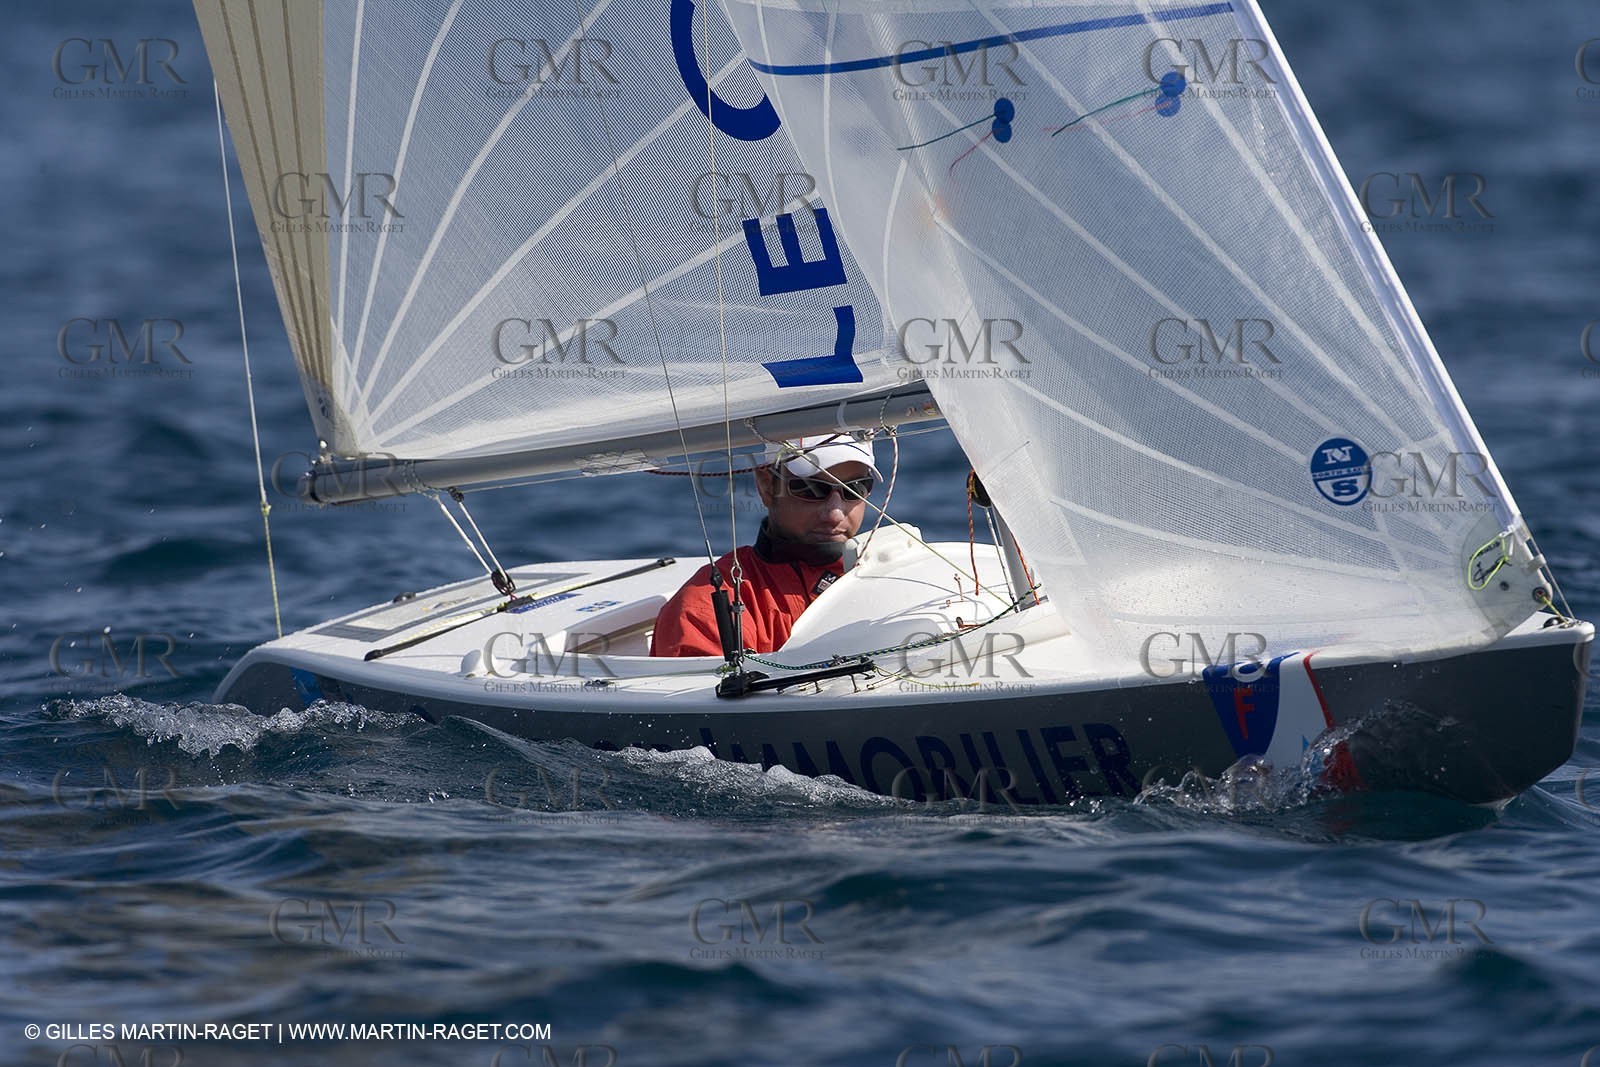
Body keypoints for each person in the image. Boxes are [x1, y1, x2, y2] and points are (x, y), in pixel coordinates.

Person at [650, 435, 881, 657]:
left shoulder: (899, 576)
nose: (835, 514)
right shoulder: (704, 610)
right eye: (811, 489)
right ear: (767, 485)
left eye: (855, 488)